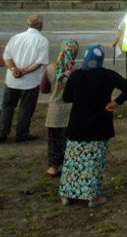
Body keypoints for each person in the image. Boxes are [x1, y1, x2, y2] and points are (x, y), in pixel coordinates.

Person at [59, 45, 127, 207]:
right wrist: (116, 102)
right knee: (94, 162)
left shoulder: (76, 76)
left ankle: (68, 194)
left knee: (73, 161)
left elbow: (66, 98)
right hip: (99, 126)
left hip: (77, 125)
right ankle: (92, 196)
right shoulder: (108, 75)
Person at [0, 14, 50, 143]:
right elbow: (39, 62)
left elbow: (7, 58)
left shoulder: (15, 38)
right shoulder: (42, 41)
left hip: (12, 80)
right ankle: (22, 133)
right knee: (26, 108)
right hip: (30, 82)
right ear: (41, 26)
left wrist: (14, 69)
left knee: (7, 107)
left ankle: (2, 133)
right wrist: (24, 71)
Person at [44, 39, 79, 176]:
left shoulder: (50, 69)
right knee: (70, 142)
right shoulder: (78, 70)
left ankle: (53, 168)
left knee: (53, 141)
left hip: (54, 112)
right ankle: (70, 167)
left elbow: (44, 89)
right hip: (72, 112)